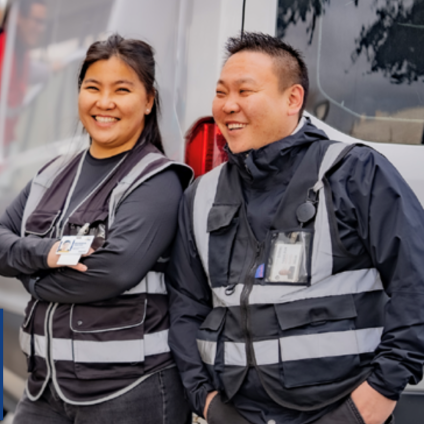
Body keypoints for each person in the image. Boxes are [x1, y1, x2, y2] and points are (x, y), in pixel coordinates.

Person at [166, 32, 424, 424]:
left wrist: (378, 395)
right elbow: (185, 305)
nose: (228, 105)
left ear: (293, 99)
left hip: (343, 413)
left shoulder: (354, 172)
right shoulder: (200, 195)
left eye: (244, 91)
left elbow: (416, 282)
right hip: (237, 414)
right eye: (220, 92)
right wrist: (206, 400)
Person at [0, 34, 193, 423]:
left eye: (122, 89)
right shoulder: (50, 174)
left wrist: (30, 277)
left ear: (149, 100)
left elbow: (111, 271)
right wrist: (42, 255)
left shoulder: (156, 180)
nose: (104, 102)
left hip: (128, 393)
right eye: (93, 87)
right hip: (45, 387)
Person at [0, 0, 47, 149]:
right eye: (37, 21)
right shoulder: (3, 47)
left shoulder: (21, 53)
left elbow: (29, 72)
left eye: (42, 23)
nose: (41, 29)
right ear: (19, 17)